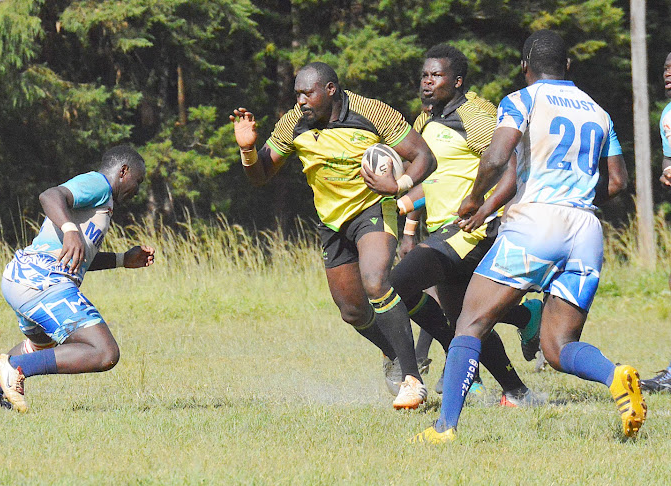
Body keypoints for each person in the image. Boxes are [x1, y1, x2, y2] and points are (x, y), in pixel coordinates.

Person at [410, 30, 645, 443]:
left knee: (469, 321)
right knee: (558, 347)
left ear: (525, 68)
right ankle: (616, 376)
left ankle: (445, 428)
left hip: (536, 223)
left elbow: (498, 156)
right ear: (568, 67)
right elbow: (618, 181)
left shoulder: (522, 100)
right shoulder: (598, 112)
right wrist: (570, 196)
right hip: (586, 230)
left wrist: (475, 198)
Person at [230, 62, 438, 409]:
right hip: (331, 222)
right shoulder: (293, 123)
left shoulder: (372, 112)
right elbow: (260, 176)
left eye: (307, 93)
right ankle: (393, 353)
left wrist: (397, 186)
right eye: (296, 94)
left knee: (375, 282)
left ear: (330, 90)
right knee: (353, 311)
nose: (300, 101)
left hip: (372, 209)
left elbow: (423, 157)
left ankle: (412, 379)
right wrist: (248, 150)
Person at [385, 44, 544, 407]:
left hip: (475, 230)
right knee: (465, 320)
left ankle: (414, 374)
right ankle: (518, 391)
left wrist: (482, 208)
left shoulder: (476, 116)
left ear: (457, 81)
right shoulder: (426, 119)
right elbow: (429, 177)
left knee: (394, 285)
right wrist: (409, 226)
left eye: (436, 76)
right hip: (442, 230)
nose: (427, 82)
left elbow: (511, 172)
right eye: (424, 75)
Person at [0, 145, 155, 412]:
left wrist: (124, 259)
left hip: (24, 278)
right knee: (105, 353)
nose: (137, 189)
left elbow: (76, 256)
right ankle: (14, 369)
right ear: (123, 171)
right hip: (43, 280)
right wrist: (69, 229)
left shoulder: (103, 204)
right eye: (138, 180)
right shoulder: (99, 184)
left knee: (39, 344)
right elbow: (50, 195)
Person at [642, 50, 671, 393]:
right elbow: (668, 157)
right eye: (665, 69)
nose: (668, 74)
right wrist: (666, 170)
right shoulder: (666, 114)